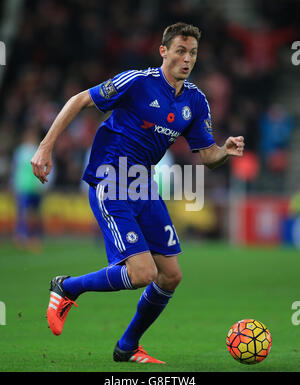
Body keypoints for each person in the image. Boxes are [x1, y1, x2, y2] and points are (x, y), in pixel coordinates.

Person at [31, 22, 244, 364]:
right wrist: (45, 148)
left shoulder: (195, 101)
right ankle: (67, 287)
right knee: (143, 273)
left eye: (192, 53)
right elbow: (79, 100)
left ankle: (127, 346)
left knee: (171, 276)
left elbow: (207, 157)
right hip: (110, 180)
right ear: (163, 51)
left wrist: (224, 150)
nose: (187, 59)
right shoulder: (138, 82)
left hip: (144, 185)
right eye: (180, 51)